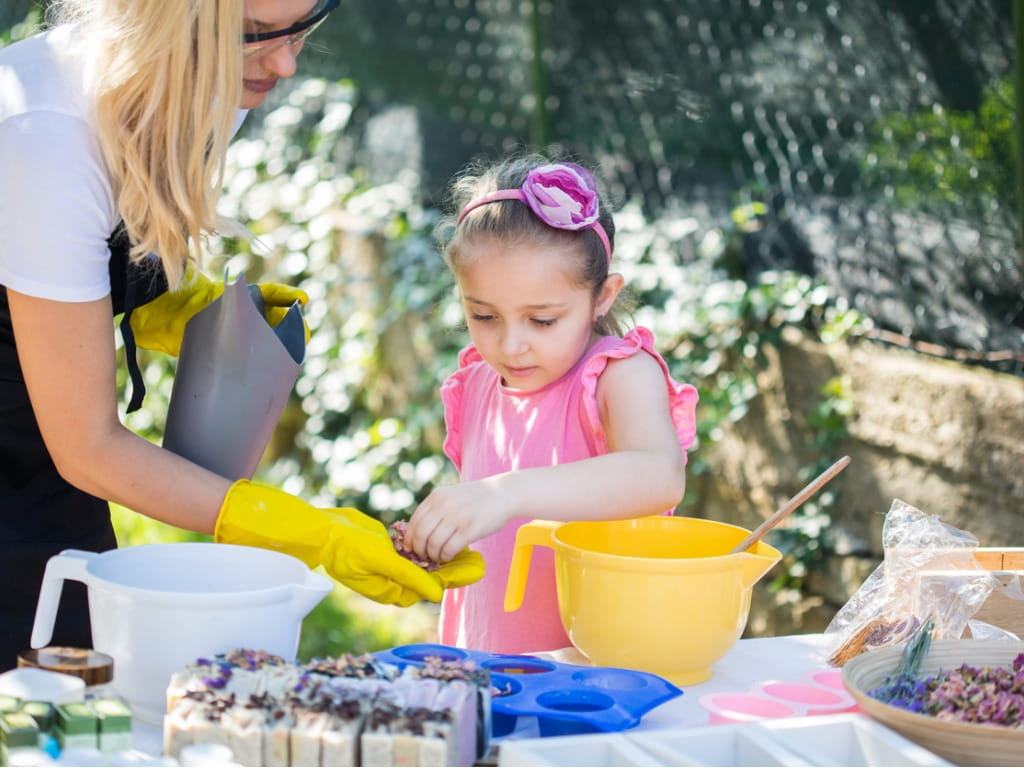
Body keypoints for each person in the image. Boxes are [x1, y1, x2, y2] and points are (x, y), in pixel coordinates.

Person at [0, 0, 482, 671]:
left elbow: (96, 246)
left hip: (41, 451)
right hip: (39, 450)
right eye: (255, 36)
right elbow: (86, 446)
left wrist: (169, 307)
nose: (285, 63)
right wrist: (304, 533)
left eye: (305, 24)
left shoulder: (215, 79)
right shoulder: (42, 135)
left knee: (82, 685)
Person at [403, 155, 699, 654]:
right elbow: (495, 541)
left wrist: (503, 493)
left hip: (593, 677)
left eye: (541, 321)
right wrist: (442, 536)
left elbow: (659, 474)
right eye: (483, 314)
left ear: (602, 296)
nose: (510, 345)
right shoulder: (476, 382)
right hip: (487, 662)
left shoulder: (617, 375)